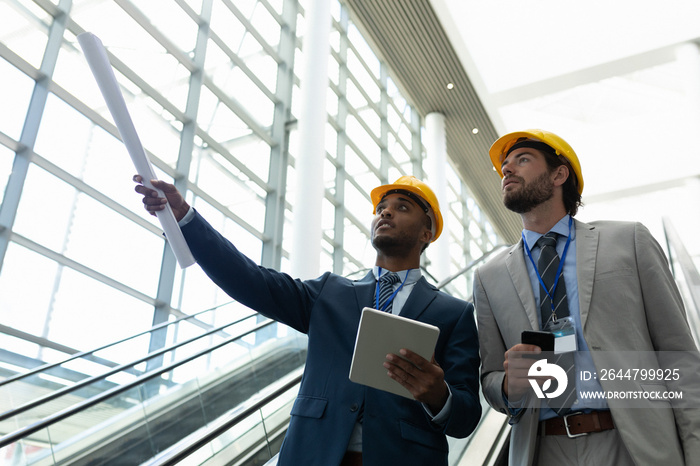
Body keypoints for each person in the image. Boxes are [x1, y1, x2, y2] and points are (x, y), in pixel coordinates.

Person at [134, 174, 481, 466]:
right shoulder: (329, 292)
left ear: (426, 233)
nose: (385, 213)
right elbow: (250, 280)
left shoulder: (454, 313)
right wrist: (184, 220)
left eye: (401, 208)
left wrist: (439, 394)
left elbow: (466, 416)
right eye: (381, 208)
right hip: (313, 453)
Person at [473, 129, 700, 466]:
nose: (506, 170)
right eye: (504, 166)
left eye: (522, 160)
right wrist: (508, 385)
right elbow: (490, 377)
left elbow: (679, 358)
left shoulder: (628, 241)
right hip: (543, 449)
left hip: (633, 444)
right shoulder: (488, 277)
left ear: (559, 174)